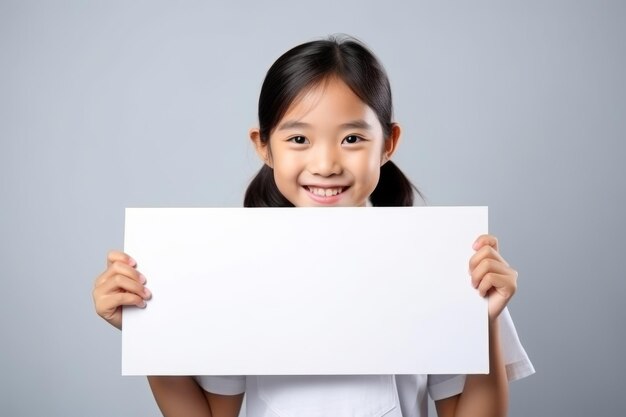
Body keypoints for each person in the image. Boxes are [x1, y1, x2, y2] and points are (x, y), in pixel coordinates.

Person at [92, 35, 534, 417]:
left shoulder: (440, 260)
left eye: (353, 138)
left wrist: (482, 321)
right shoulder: (235, 262)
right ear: (264, 146)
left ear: (389, 144)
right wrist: (151, 331)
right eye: (299, 139)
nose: (325, 164)